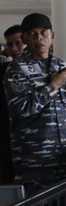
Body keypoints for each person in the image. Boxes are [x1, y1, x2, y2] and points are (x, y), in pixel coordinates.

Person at [4, 13, 66, 189]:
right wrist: (53, 85)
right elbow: (21, 110)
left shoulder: (59, 64)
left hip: (63, 154)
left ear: (52, 36)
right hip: (34, 158)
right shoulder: (16, 69)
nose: (39, 38)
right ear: (24, 38)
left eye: (44, 33)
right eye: (32, 34)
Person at [0, 24, 24, 183]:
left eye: (18, 43)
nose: (14, 49)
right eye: (10, 44)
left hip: (32, 138)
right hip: (6, 136)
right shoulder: (3, 70)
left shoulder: (45, 69)